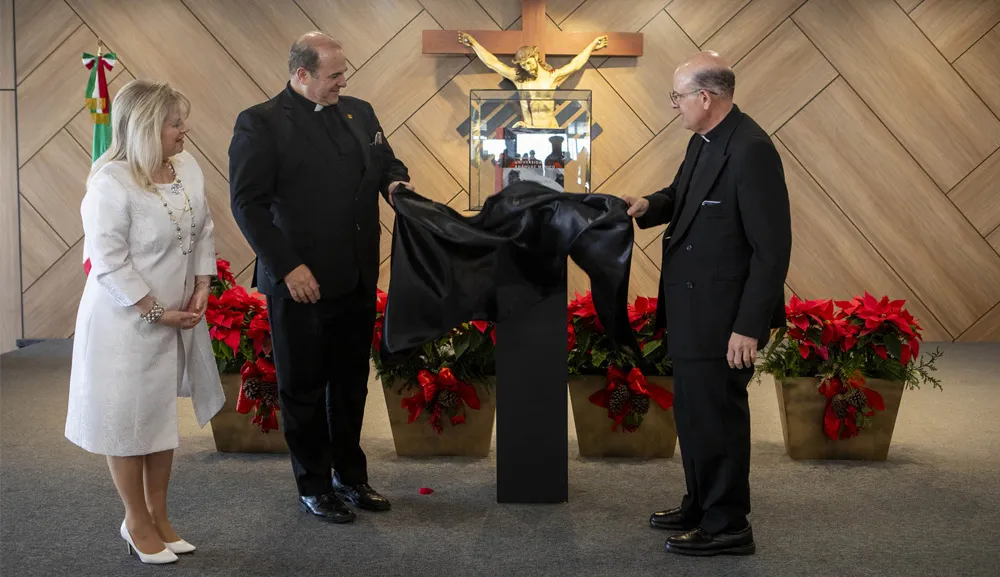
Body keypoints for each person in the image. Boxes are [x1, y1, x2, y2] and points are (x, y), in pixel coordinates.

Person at [228, 32, 412, 524]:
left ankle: (351, 477)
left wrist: (395, 184)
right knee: (304, 388)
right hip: (300, 282)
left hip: (355, 275)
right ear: (302, 74)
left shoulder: (360, 111)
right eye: (333, 75)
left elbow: (385, 162)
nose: (343, 81)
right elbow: (248, 205)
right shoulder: (260, 123)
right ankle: (313, 484)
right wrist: (288, 266)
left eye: (343, 73)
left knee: (351, 385)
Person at [623, 51, 792, 556]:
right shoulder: (704, 141)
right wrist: (648, 206)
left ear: (705, 97)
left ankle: (728, 524)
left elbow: (772, 249)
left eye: (677, 97)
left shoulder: (751, 150)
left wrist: (748, 325)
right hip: (694, 310)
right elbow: (683, 194)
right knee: (695, 415)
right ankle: (699, 502)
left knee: (717, 417)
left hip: (725, 318)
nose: (673, 105)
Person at [65, 79, 225, 565]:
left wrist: (201, 287)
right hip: (124, 322)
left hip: (176, 317)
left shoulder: (188, 168)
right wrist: (154, 310)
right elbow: (108, 261)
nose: (185, 130)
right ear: (147, 127)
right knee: (127, 422)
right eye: (176, 123)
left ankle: (160, 515)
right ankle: (134, 519)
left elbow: (204, 230)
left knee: (158, 420)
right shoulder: (109, 181)